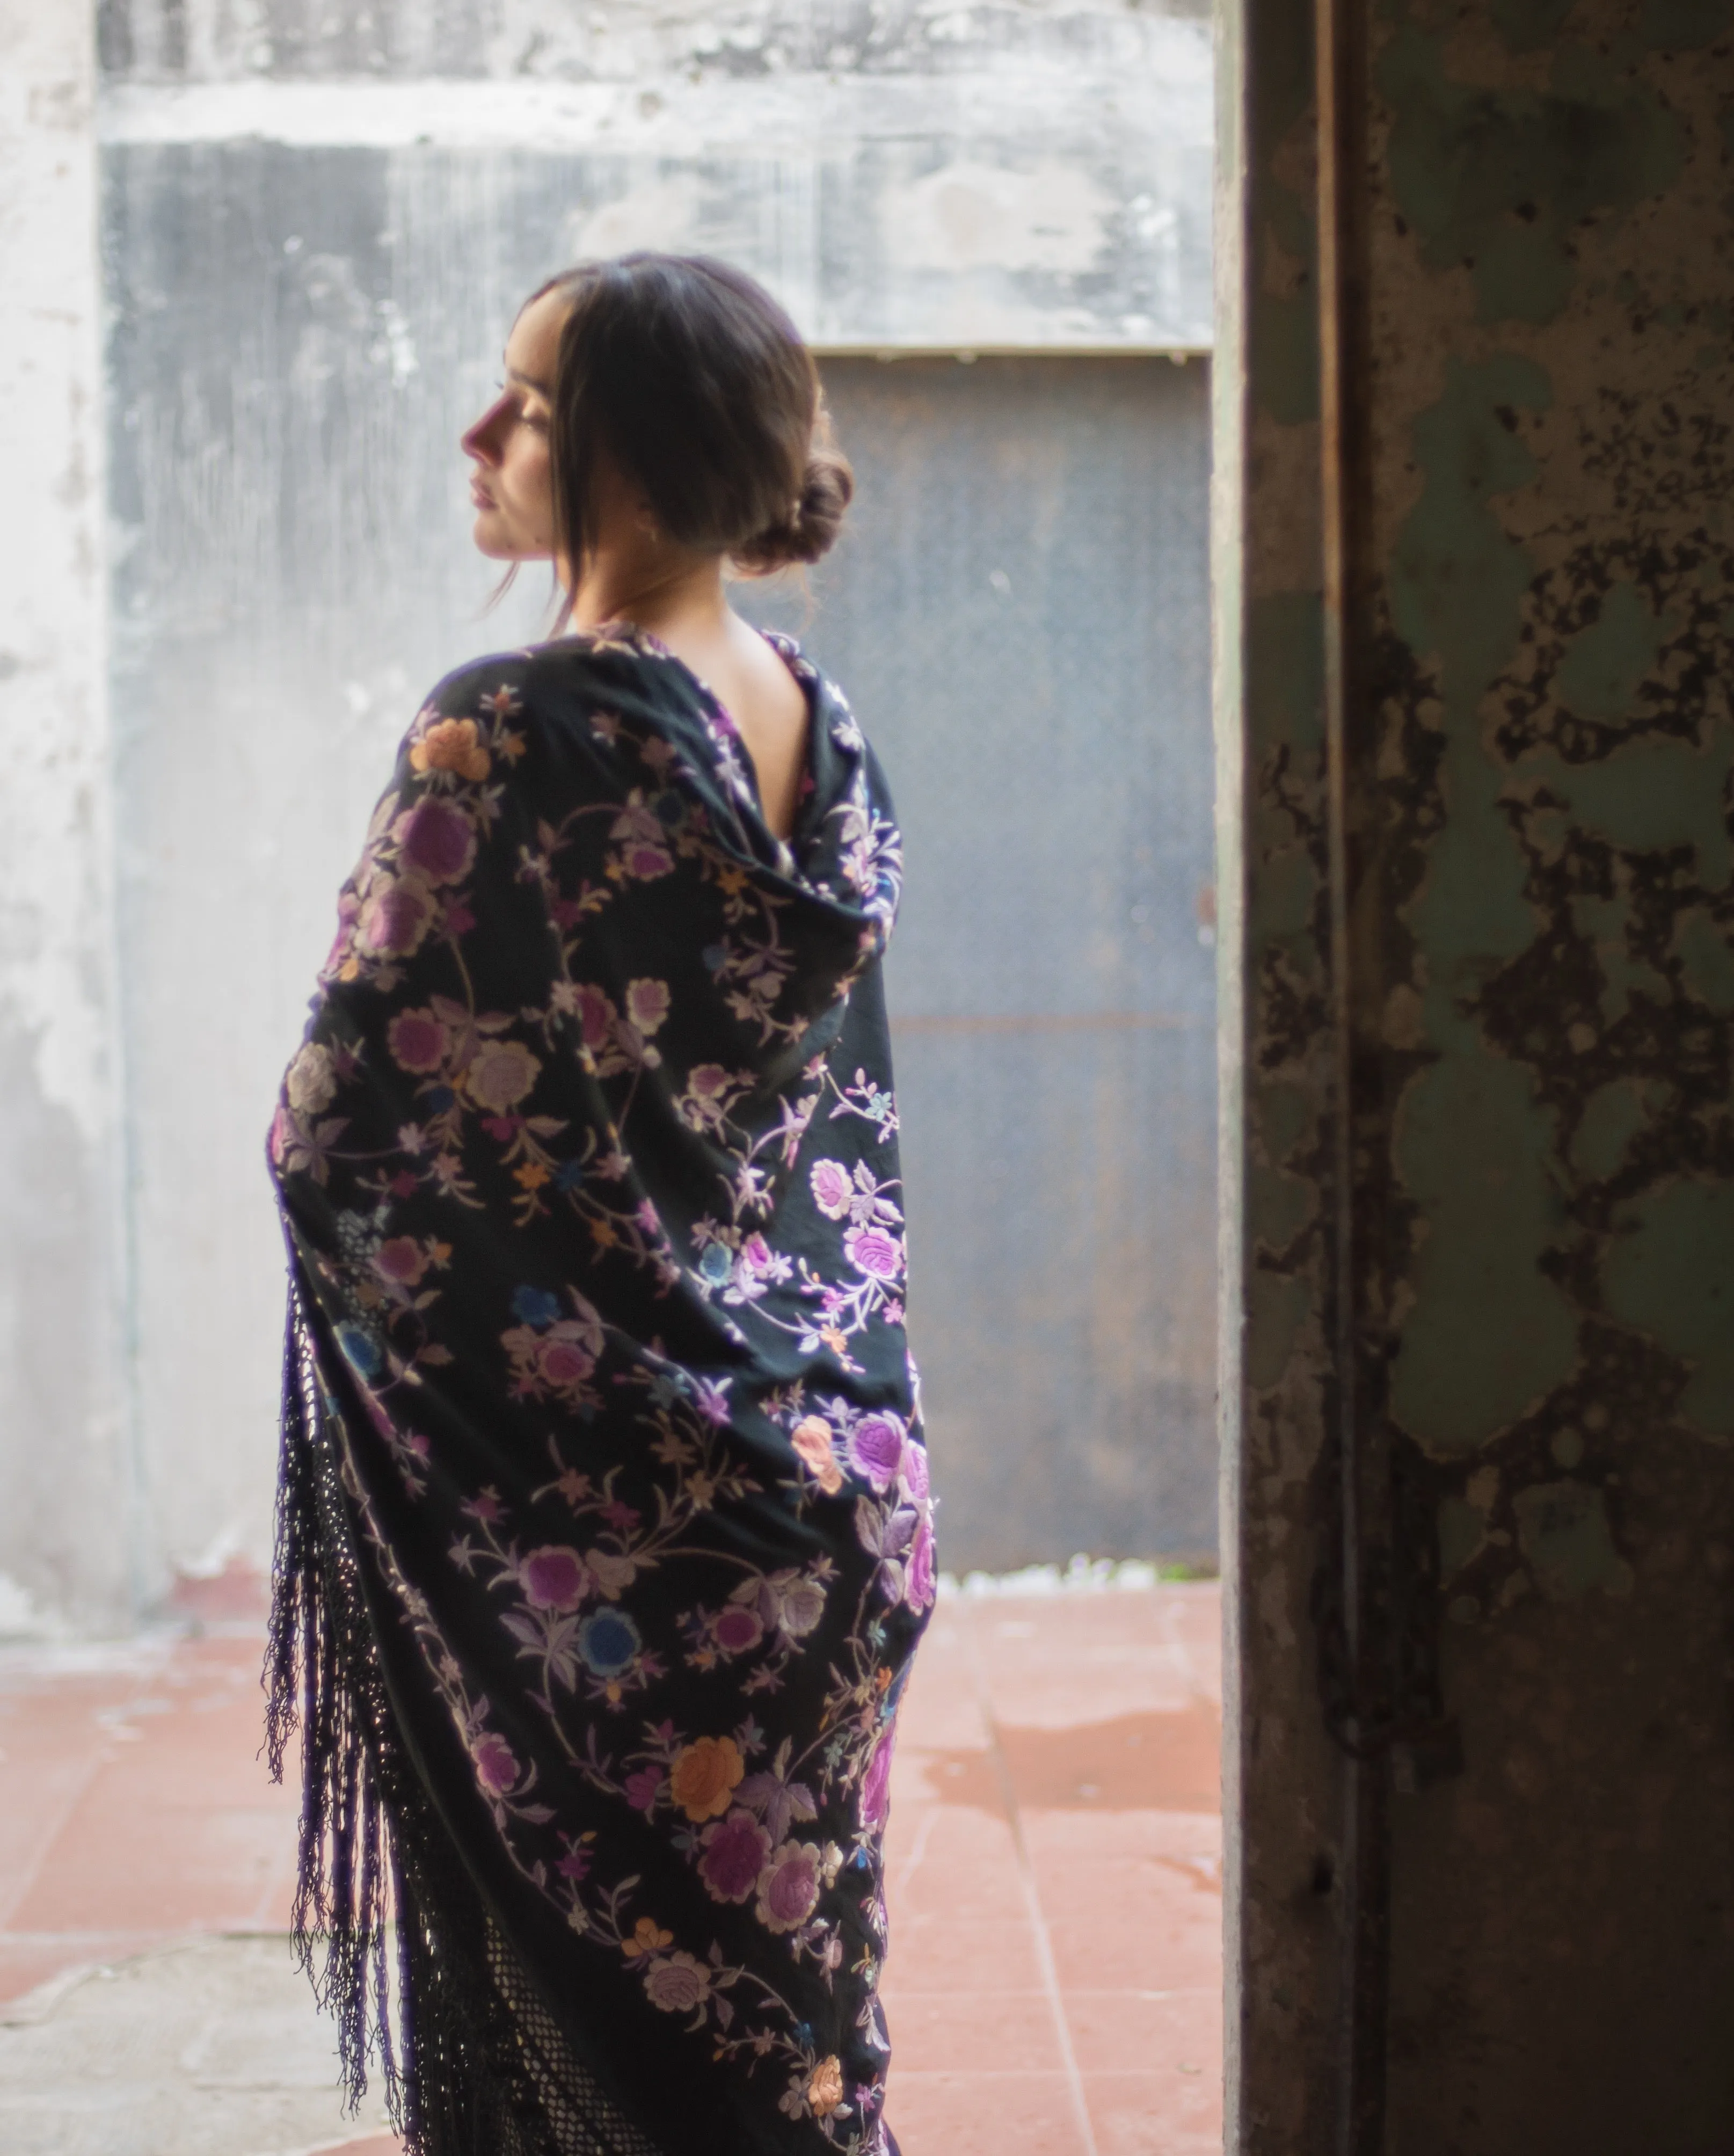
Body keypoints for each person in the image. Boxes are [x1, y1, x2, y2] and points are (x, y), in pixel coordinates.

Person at [265, 252, 935, 2156]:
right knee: (785, 2062)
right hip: (826, 1518)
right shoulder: (817, 720)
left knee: (600, 2084)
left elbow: (337, 1145)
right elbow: (803, 1144)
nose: (481, 435)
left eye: (533, 405)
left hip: (607, 1567)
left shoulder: (510, 723)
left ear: (634, 448)